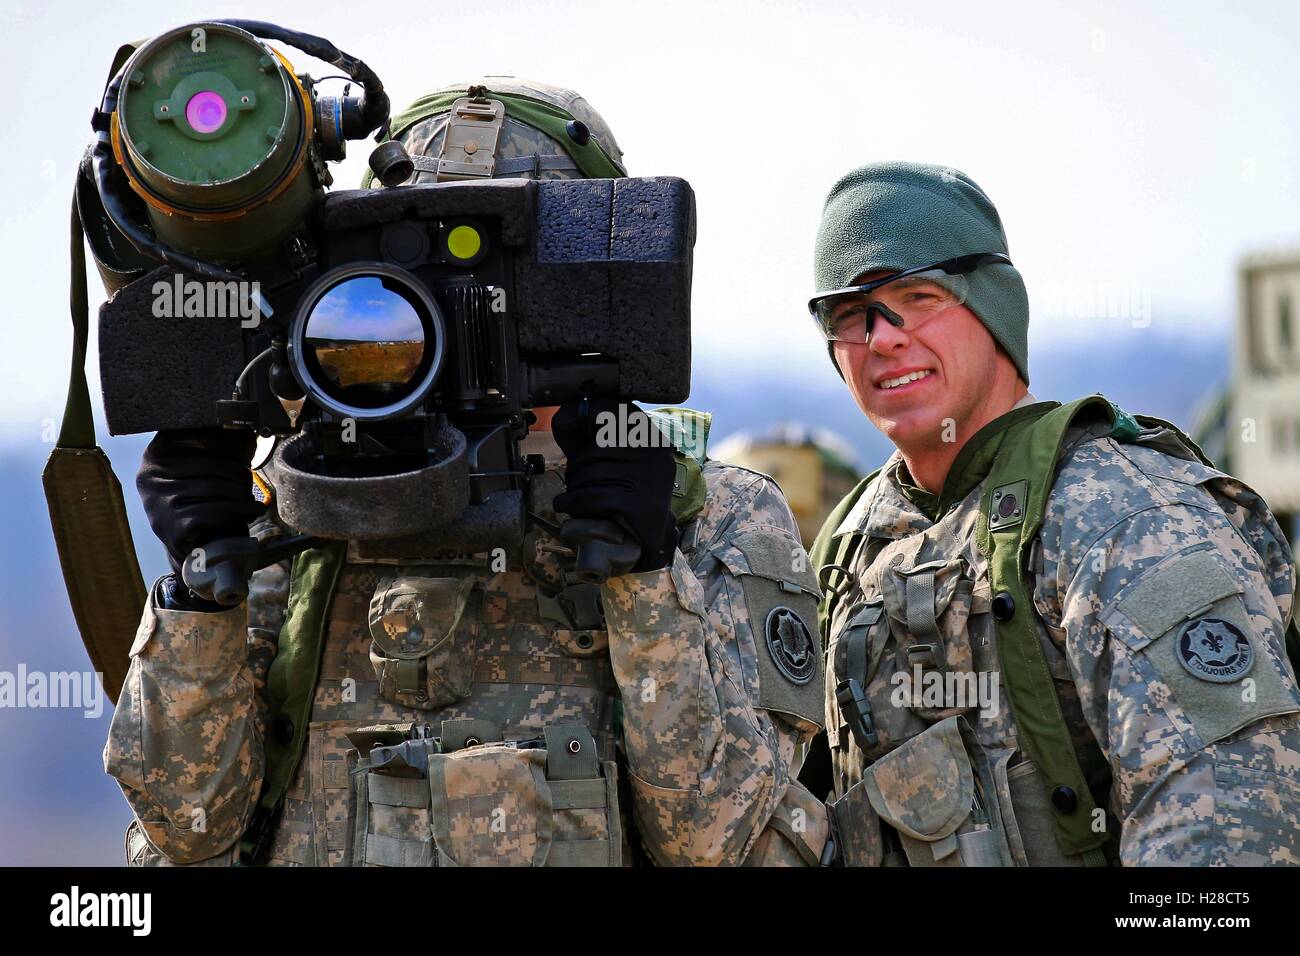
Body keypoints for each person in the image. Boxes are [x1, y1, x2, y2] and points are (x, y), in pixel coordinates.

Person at [104, 79, 829, 868]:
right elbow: (189, 827)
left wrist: (645, 574)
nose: (465, 310)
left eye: (503, 272)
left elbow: (716, 841)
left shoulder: (712, 515)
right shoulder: (303, 513)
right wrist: (198, 594)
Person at [805, 161, 1300, 866]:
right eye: (850, 315)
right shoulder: (847, 548)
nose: (883, 337)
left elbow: (1232, 835)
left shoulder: (1125, 512)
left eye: (916, 298)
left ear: (995, 309)